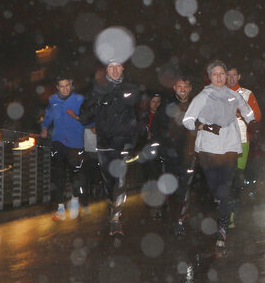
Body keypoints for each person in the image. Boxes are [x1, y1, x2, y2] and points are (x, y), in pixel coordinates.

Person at [182, 60, 258, 248]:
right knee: (215, 187)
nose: (219, 77)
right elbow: (187, 120)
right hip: (208, 147)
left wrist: (253, 123)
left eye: (222, 74)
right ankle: (218, 200)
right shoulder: (203, 96)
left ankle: (222, 228)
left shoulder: (233, 95)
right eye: (215, 74)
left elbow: (248, 112)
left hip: (230, 144)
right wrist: (204, 126)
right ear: (210, 76)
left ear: (226, 76)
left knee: (225, 188)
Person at [79, 60, 140, 236]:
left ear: (123, 68)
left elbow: (136, 114)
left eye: (118, 66)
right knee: (108, 183)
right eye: (111, 67)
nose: (114, 70)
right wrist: (99, 102)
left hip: (123, 143)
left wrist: (133, 141)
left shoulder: (131, 88)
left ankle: (115, 219)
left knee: (120, 181)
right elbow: (84, 117)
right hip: (104, 143)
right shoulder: (97, 89)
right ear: (106, 69)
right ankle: (111, 208)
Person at [150, 76, 196, 235]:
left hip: (188, 155)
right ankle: (175, 218)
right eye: (179, 86)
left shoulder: (196, 105)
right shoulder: (166, 106)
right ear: (174, 87)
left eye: (186, 86)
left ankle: (180, 220)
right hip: (169, 155)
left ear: (190, 88)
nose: (182, 89)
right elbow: (155, 128)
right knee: (171, 189)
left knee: (184, 188)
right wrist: (158, 147)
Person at [40, 74, 86, 221]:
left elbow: (88, 117)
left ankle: (74, 199)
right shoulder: (53, 100)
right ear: (57, 87)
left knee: (75, 175)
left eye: (67, 85)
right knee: (58, 175)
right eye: (62, 86)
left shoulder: (79, 99)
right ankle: (60, 208)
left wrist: (77, 117)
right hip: (58, 141)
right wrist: (44, 127)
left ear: (71, 85)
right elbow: (48, 116)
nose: (65, 89)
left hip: (76, 142)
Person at [226, 67, 261, 228]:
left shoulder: (247, 93)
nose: (231, 78)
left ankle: (232, 211)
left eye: (234, 75)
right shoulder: (218, 92)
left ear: (239, 76)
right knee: (225, 177)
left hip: (242, 140)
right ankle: (226, 213)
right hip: (222, 142)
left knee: (237, 178)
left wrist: (242, 113)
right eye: (228, 75)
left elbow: (257, 116)